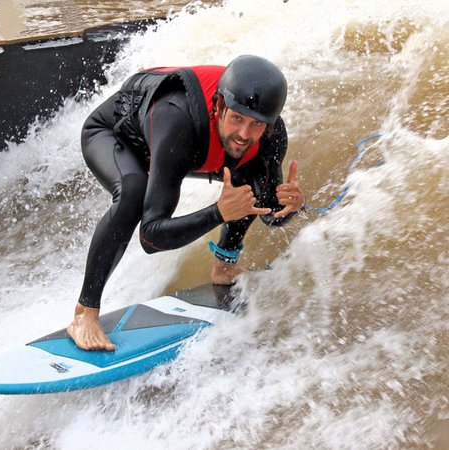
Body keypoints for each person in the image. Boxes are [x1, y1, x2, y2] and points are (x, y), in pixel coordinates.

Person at [67, 55, 305, 351]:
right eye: (237, 119)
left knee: (247, 191)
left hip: (171, 146)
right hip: (118, 136)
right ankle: (84, 314)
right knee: (133, 192)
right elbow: (150, 237)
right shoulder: (178, 119)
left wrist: (290, 206)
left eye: (256, 125)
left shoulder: (270, 137)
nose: (244, 134)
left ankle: (224, 267)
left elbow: (268, 213)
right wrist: (218, 213)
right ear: (218, 106)